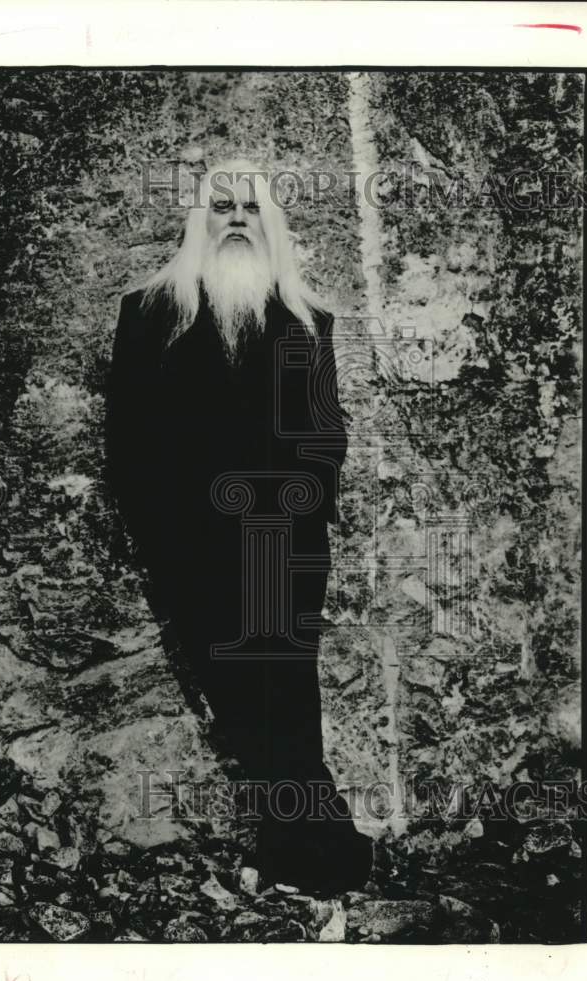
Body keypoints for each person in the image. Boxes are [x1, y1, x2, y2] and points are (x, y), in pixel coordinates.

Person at [104, 158, 373, 893]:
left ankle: (309, 845)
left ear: (270, 222)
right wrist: (164, 541)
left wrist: (301, 512)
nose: (234, 218)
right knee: (238, 701)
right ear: (199, 217)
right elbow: (127, 445)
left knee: (288, 695)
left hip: (283, 548)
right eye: (220, 205)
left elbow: (326, 436)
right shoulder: (149, 312)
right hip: (192, 552)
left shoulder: (306, 319)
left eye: (249, 208)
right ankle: (315, 841)